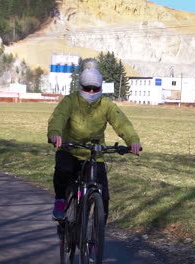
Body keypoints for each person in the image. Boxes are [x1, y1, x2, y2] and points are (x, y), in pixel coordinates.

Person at [47, 63, 142, 221]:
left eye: (95, 89)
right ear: (80, 86)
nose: (91, 92)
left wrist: (133, 141)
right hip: (70, 149)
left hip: (94, 153)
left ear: (100, 88)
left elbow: (122, 122)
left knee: (103, 194)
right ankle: (60, 201)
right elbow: (58, 118)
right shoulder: (70, 101)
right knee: (63, 169)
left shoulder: (106, 105)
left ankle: (98, 233)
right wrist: (55, 134)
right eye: (88, 88)